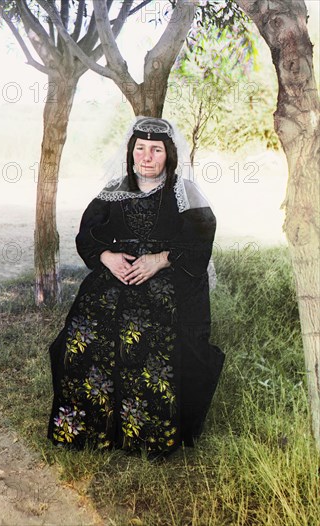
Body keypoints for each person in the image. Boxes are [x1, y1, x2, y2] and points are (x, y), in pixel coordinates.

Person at [47, 116, 225, 458]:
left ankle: (145, 435)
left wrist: (159, 259)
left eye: (155, 150)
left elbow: (200, 243)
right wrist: (107, 256)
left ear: (168, 156)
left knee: (142, 330)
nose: (146, 157)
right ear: (130, 153)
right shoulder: (114, 192)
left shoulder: (184, 193)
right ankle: (88, 430)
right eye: (140, 149)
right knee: (84, 329)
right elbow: (87, 236)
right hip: (117, 273)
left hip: (169, 277)